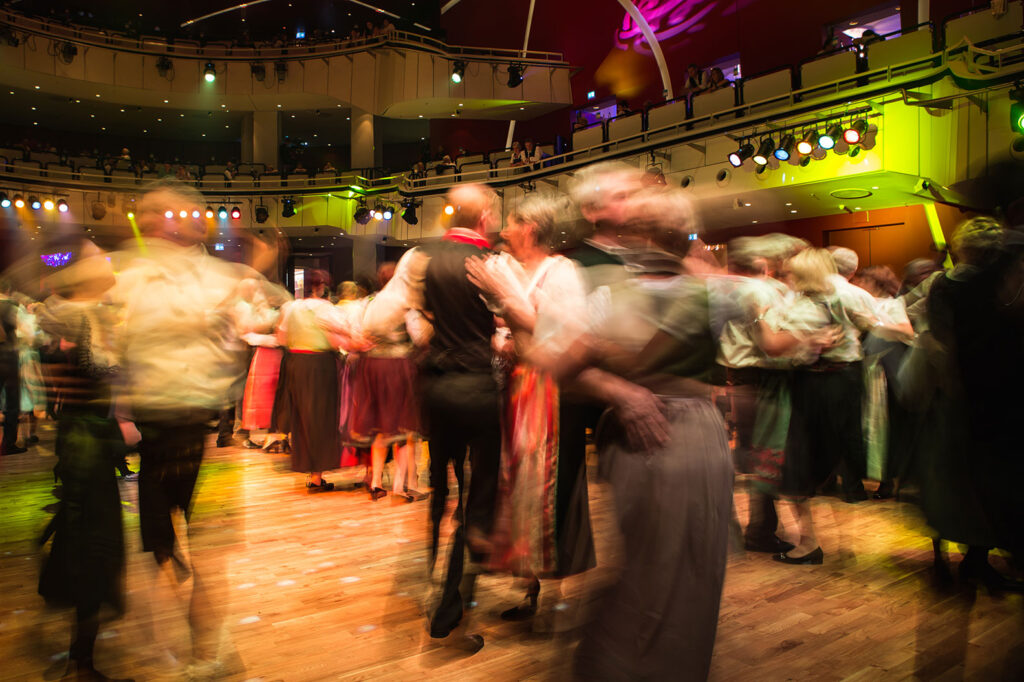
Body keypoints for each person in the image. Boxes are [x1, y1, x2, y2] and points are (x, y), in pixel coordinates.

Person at [544, 185, 734, 681]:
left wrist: (602, 359)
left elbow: (564, 364)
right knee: (675, 567)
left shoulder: (618, 291)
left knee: (661, 564)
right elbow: (563, 363)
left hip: (664, 433)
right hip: (676, 434)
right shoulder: (688, 291)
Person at [362, 183, 502, 653]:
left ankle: (431, 581)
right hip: (479, 387)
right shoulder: (494, 262)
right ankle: (451, 601)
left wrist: (424, 329)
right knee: (477, 496)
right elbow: (517, 320)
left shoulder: (418, 258)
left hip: (436, 388)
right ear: (484, 217)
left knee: (439, 489)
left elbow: (376, 322)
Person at [464, 195, 596, 624]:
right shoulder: (505, 267)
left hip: (551, 390)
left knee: (548, 484)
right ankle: (528, 584)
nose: (503, 231)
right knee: (513, 481)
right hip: (512, 386)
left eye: (511, 223)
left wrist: (511, 305)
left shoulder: (561, 272)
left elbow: (563, 333)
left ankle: (552, 587)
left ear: (532, 229)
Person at [36, 251, 129, 682]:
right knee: (92, 546)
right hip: (87, 442)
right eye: (102, 262)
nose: (110, 266)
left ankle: (82, 656)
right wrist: (127, 364)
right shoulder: (83, 316)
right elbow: (94, 369)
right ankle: (82, 664)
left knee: (85, 541)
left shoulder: (65, 316)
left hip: (80, 438)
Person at [275, 270, 341, 491]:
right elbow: (335, 341)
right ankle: (316, 476)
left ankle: (309, 470)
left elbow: (281, 338)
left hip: (296, 363)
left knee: (302, 419)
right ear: (321, 286)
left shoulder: (291, 307)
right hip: (319, 364)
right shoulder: (326, 308)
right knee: (321, 418)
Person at [0, 279, 25, 455]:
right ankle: (8, 443)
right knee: (12, 401)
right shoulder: (12, 307)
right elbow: (27, 333)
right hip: (8, 357)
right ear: (8, 290)